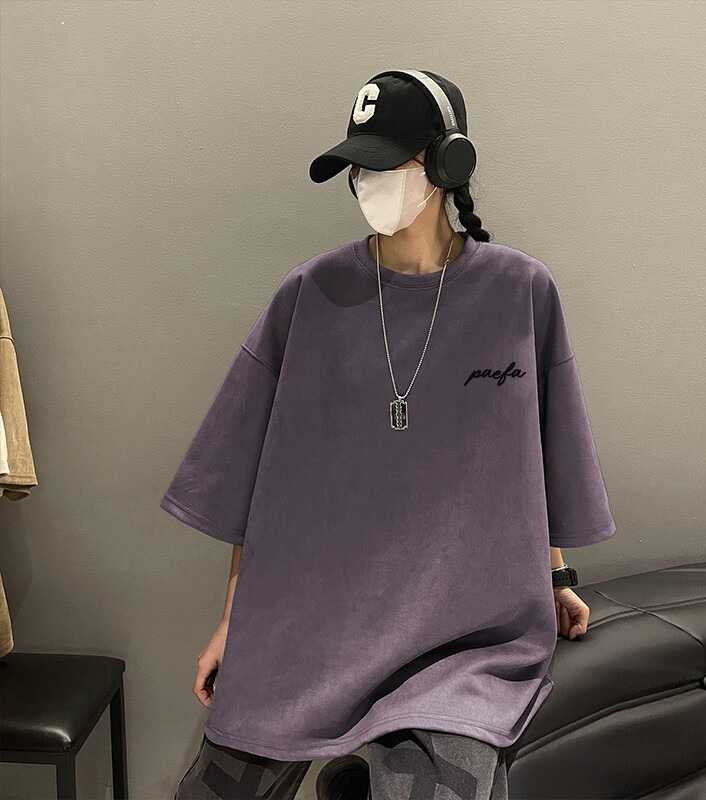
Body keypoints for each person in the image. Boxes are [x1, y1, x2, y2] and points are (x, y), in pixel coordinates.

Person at [161, 69, 616, 800]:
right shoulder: (309, 296)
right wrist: (235, 624)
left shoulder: (519, 292)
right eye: (357, 167)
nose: (366, 182)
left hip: (461, 641)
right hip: (310, 626)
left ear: (448, 165)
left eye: (385, 164)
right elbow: (255, 482)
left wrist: (556, 576)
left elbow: (528, 460)